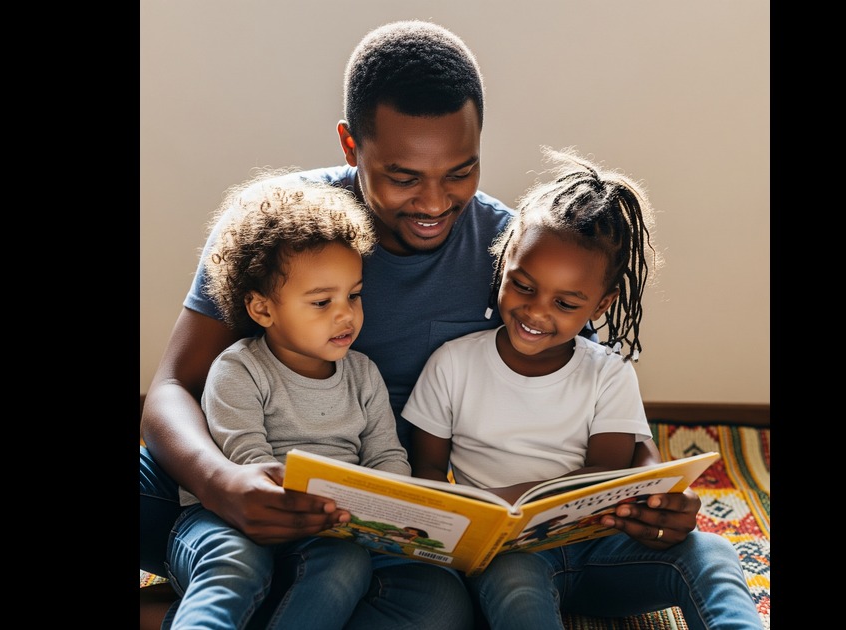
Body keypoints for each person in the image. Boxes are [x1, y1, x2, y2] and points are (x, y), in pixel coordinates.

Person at [141, 20, 708, 629]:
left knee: (442, 613)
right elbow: (172, 388)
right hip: (249, 467)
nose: (435, 203)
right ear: (350, 146)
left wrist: (650, 483)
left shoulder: (514, 253)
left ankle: (227, 602)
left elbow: (592, 381)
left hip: (389, 508)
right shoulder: (284, 225)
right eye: (404, 176)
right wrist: (224, 483)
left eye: (460, 172)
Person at [404, 148, 763, 630]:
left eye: (566, 302)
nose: (536, 312)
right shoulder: (452, 364)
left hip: (605, 553)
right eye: (524, 286)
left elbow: (608, 474)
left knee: (713, 551)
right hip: (513, 558)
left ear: (601, 304)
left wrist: (517, 498)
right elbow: (427, 472)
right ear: (504, 259)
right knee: (513, 580)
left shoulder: (607, 373)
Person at [162, 177, 411, 629]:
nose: (346, 314)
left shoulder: (363, 374)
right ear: (262, 310)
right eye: (321, 302)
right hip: (230, 520)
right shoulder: (239, 369)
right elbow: (248, 458)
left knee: (354, 566)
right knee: (234, 563)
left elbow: (386, 454)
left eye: (353, 295)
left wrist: (389, 505)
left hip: (330, 529)